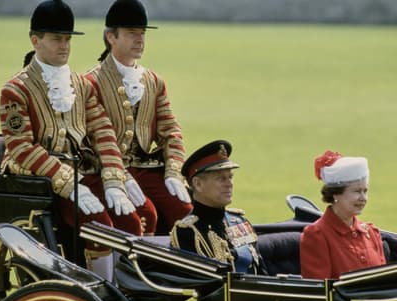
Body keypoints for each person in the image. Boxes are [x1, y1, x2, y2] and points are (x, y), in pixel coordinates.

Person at [0, 0, 144, 282]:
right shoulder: (15, 90)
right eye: (56, 39)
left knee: (131, 221)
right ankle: (102, 293)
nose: (64, 46)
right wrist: (69, 184)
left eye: (67, 39)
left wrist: (114, 180)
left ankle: (131, 290)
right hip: (41, 180)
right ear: (35, 40)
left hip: (83, 173)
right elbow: (21, 147)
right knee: (100, 229)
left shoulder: (82, 85)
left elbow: (103, 134)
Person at [85, 0, 192, 235]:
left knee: (186, 212)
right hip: (105, 170)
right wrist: (119, 176)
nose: (140, 40)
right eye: (132, 33)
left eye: (142, 33)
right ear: (110, 37)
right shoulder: (90, 83)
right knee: (145, 215)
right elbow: (91, 140)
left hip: (146, 169)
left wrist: (174, 171)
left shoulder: (154, 81)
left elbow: (170, 131)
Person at [170, 140, 266, 274]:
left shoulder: (240, 222)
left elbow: (261, 273)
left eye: (230, 177)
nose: (229, 184)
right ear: (198, 184)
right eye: (221, 179)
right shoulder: (187, 233)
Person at [300, 150, 386, 279]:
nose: (363, 198)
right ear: (335, 194)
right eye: (357, 191)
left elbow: (383, 284)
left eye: (365, 191)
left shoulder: (372, 233)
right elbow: (319, 290)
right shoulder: (317, 235)